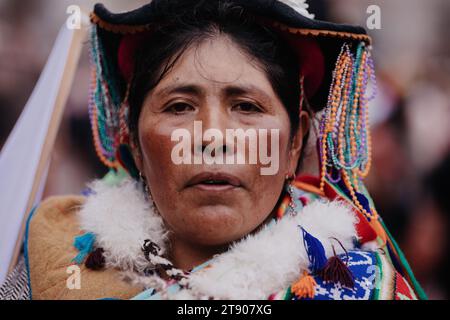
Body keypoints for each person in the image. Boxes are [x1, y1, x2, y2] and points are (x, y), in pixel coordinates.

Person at [0, 0, 426, 300]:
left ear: (295, 140)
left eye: (246, 106)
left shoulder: (360, 289)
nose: (213, 138)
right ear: (131, 133)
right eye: (180, 106)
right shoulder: (53, 264)